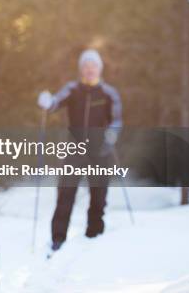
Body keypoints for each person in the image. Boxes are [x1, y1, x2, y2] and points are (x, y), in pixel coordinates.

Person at [37, 49, 122, 252]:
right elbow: (55, 103)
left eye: (93, 65)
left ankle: (94, 237)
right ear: (81, 69)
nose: (89, 69)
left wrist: (112, 134)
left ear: (99, 68)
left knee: (98, 198)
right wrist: (48, 103)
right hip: (74, 150)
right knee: (65, 194)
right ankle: (57, 239)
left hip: (100, 151)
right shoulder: (72, 89)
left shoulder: (109, 93)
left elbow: (117, 120)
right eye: (86, 65)